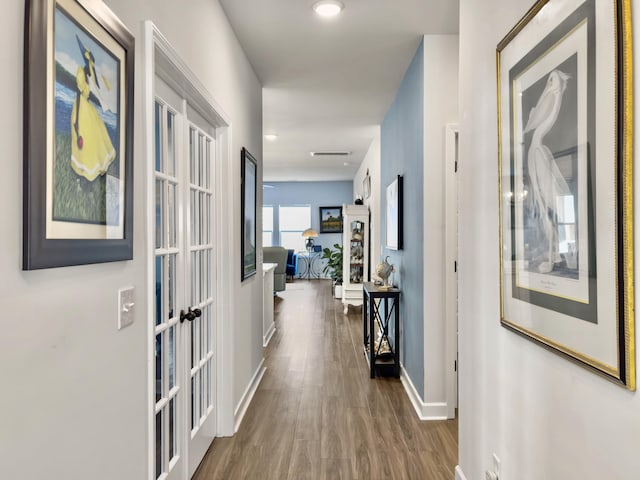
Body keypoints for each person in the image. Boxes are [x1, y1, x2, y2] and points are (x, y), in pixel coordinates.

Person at [70, 35, 116, 181]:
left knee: (96, 135)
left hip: (87, 108)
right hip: (81, 108)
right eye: (91, 63)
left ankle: (95, 169)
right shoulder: (81, 74)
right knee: (86, 138)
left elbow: (100, 87)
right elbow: (81, 93)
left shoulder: (89, 76)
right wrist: (76, 122)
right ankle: (84, 172)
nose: (92, 67)